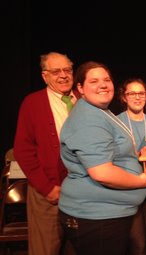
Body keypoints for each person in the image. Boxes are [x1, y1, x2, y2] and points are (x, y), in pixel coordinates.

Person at [58, 61, 146, 255]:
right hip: (97, 218)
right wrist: (140, 181)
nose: (103, 85)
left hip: (105, 216)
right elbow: (102, 173)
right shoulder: (88, 119)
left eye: (107, 80)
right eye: (94, 81)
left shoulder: (100, 111)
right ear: (80, 88)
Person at [14, 52, 80, 255]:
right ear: (45, 76)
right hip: (49, 193)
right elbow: (23, 151)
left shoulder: (84, 100)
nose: (63, 75)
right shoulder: (33, 103)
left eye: (67, 70)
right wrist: (47, 187)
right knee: (46, 249)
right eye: (56, 71)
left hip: (82, 194)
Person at [117, 78, 146, 255]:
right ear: (124, 97)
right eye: (132, 93)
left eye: (141, 93)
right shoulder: (115, 122)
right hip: (126, 190)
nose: (137, 97)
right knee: (135, 242)